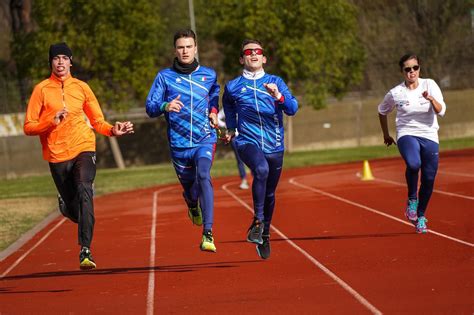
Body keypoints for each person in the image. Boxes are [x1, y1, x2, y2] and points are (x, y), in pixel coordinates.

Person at [23, 42, 134, 270]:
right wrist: (50, 121)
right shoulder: (41, 90)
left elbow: (97, 122)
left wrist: (113, 130)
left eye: (65, 57)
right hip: (56, 155)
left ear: (71, 61)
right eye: (56, 58)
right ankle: (68, 208)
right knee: (76, 210)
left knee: (85, 190)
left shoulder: (82, 88)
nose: (61, 62)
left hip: (83, 146)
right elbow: (28, 126)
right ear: (51, 62)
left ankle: (85, 250)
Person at [222, 39, 298, 259]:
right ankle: (257, 219)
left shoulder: (276, 81)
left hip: (275, 144)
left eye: (257, 52)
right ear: (241, 58)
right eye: (248, 52)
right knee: (261, 170)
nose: (253, 54)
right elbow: (227, 103)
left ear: (264, 58)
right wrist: (232, 128)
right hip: (247, 141)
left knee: (271, 193)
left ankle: (264, 234)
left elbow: (292, 109)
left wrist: (278, 96)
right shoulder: (233, 86)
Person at [146, 29, 219, 252]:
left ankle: (208, 233)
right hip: (179, 145)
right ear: (175, 50)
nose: (185, 51)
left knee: (204, 175)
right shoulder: (164, 77)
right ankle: (191, 204)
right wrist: (165, 106)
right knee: (190, 190)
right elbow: (150, 107)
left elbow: (215, 95)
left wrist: (214, 111)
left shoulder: (209, 75)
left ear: (196, 48)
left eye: (188, 46)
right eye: (180, 47)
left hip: (205, 139)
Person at [378, 53, 446, 234]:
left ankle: (421, 216)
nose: (412, 72)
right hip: (406, 133)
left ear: (419, 69)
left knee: (429, 179)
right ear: (402, 72)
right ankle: (412, 199)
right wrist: (386, 134)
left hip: (430, 135)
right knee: (414, 163)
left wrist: (431, 100)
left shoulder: (429, 85)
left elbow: (442, 111)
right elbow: (382, 111)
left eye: (414, 68)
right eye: (407, 69)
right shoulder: (396, 92)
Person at [217, 110, 249, 189]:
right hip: (235, 137)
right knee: (240, 159)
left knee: (252, 157)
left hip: (248, 136)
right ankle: (244, 180)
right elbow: (217, 117)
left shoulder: (245, 103)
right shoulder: (227, 107)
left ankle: (257, 177)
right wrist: (225, 125)